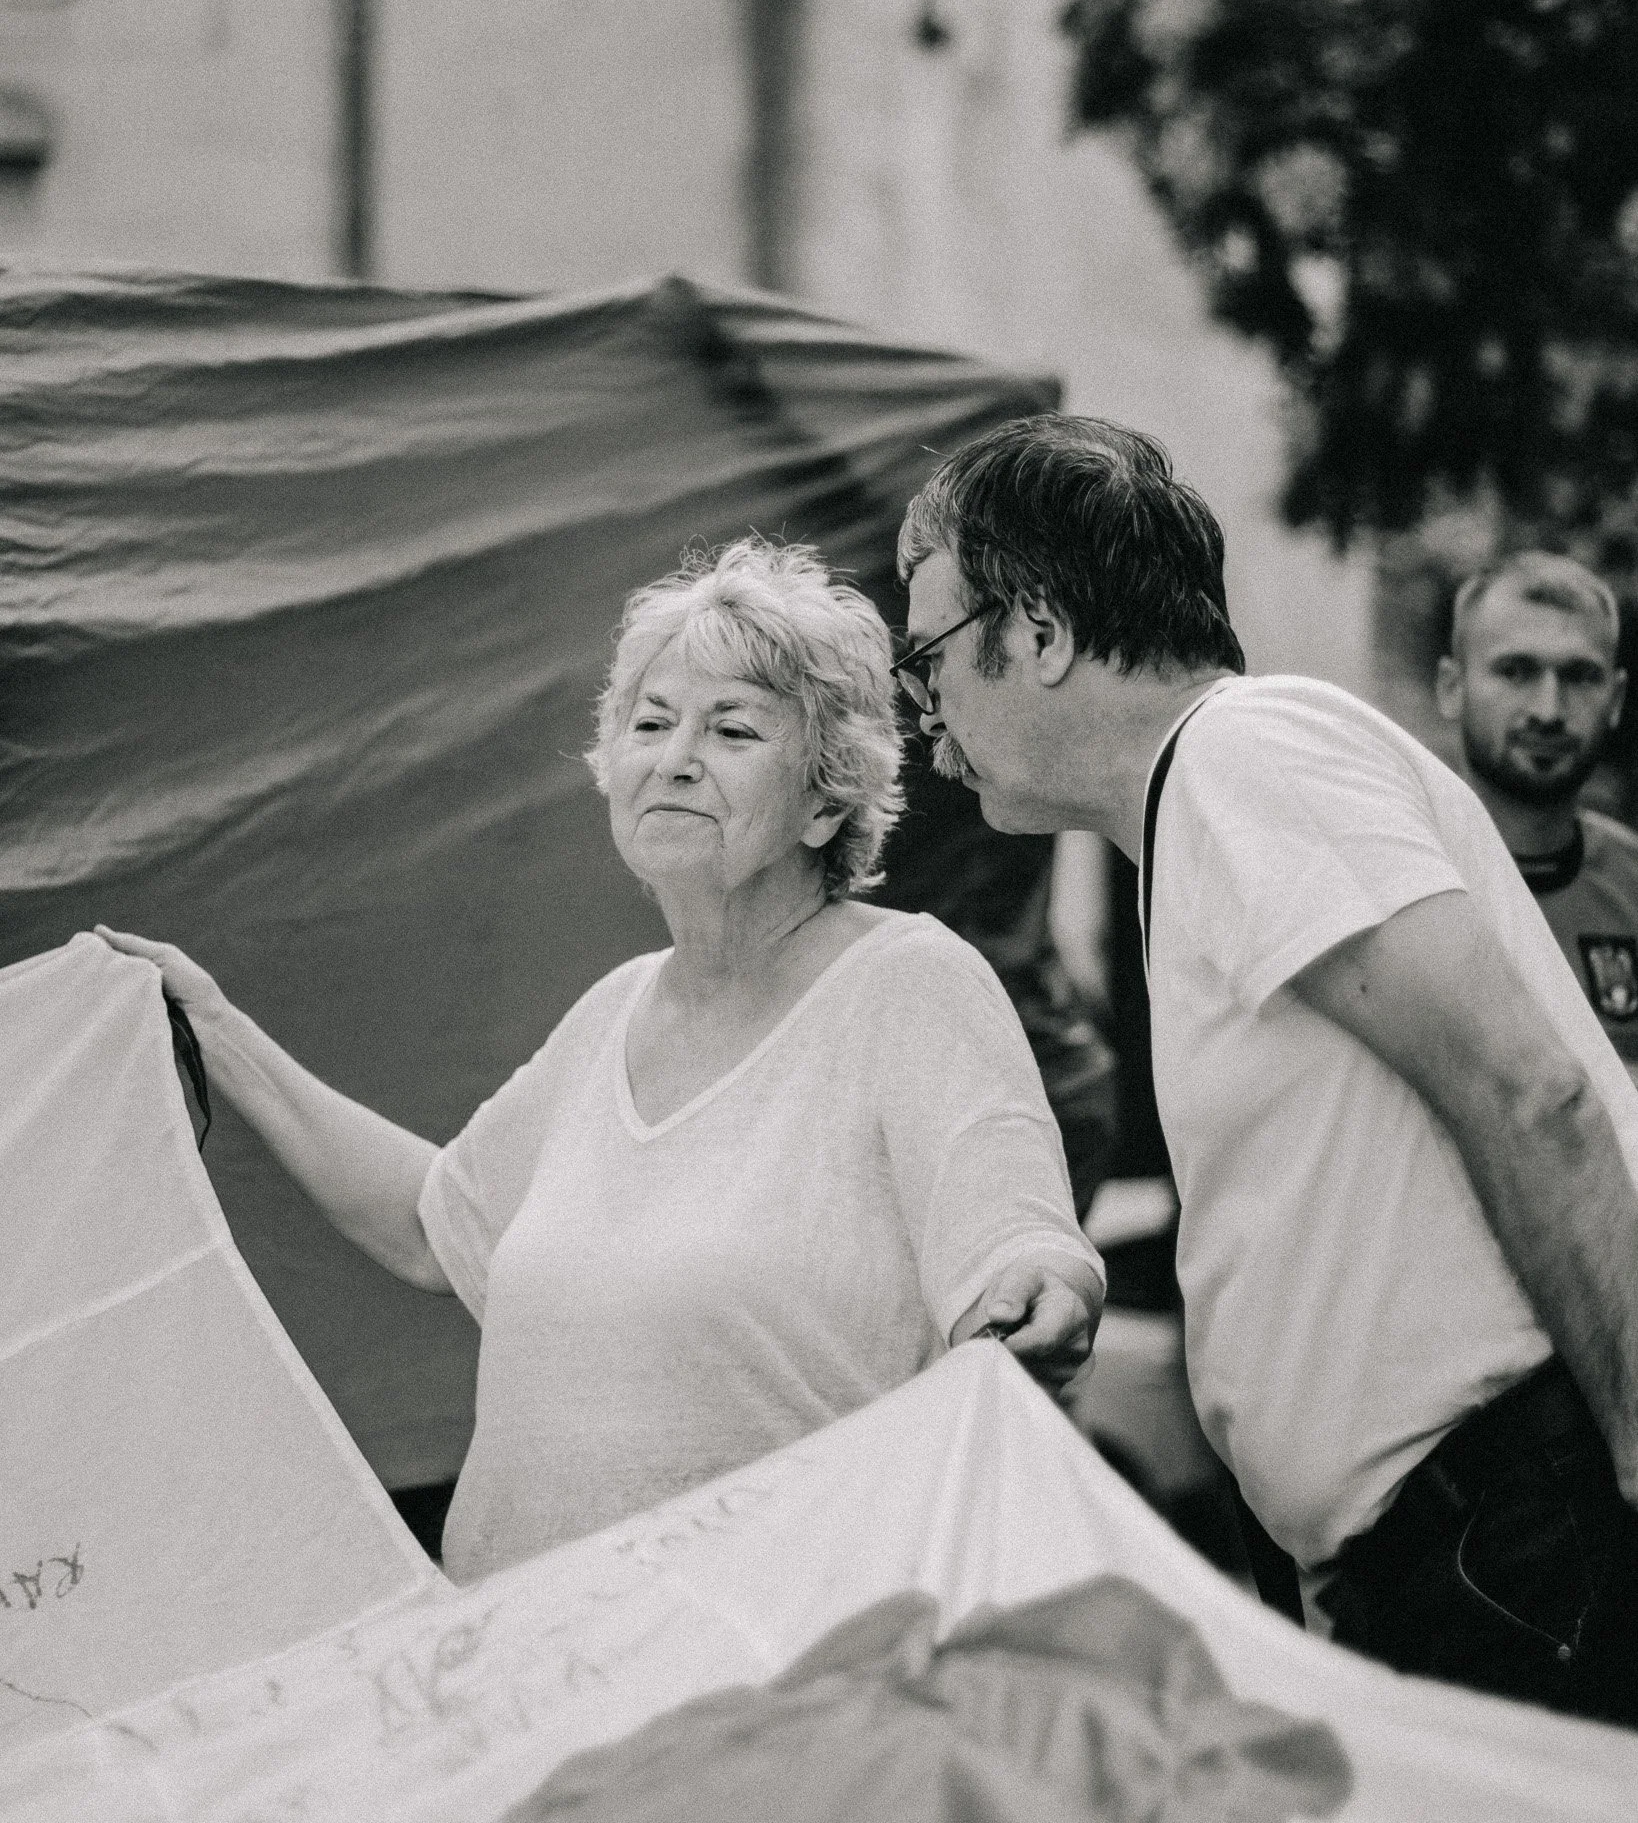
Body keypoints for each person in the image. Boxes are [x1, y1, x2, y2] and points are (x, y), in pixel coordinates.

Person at [101, 538, 1103, 1584]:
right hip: (524, 1675)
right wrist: (216, 1028)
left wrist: (1045, 1284)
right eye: (651, 722)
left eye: (732, 728)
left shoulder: (907, 983)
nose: (673, 756)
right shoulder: (610, 1015)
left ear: (825, 795)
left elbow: (1014, 1236)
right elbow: (431, 1225)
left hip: (777, 1678)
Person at [892, 413, 1638, 1726]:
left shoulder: (1247, 755)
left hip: (1514, 1528)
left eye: (929, 654)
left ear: (1042, 633)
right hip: (1461, 1550)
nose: (922, 710)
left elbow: (1533, 1094)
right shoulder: (1205, 798)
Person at [1437, 552, 1638, 1076]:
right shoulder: (1398, 875)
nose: (1548, 710)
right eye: (1515, 671)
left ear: (1616, 698)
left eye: (1580, 677)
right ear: (1451, 687)